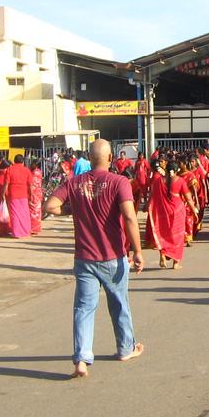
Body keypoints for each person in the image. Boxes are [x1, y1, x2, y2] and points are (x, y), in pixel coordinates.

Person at [44, 138, 144, 379]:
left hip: (85, 258)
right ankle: (125, 348)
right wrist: (138, 251)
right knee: (119, 304)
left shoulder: (74, 183)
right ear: (111, 158)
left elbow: (50, 206)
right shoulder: (119, 181)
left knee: (84, 308)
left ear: (89, 158)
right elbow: (130, 217)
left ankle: (81, 359)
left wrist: (71, 209)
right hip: (113, 256)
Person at [146, 160, 199, 269]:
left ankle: (163, 256)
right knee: (178, 236)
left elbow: (151, 197)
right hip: (178, 212)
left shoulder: (158, 181)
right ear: (177, 170)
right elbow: (188, 198)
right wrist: (194, 211)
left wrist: (148, 208)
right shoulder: (180, 181)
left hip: (163, 212)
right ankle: (176, 262)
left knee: (163, 234)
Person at [3, 154, 34, 239]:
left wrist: (3, 194)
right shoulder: (26, 170)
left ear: (14, 161)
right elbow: (31, 185)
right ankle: (25, 232)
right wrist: (32, 195)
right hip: (24, 194)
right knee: (24, 213)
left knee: (15, 214)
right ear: (23, 161)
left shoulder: (10, 169)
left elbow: (6, 184)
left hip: (13, 194)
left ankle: (16, 233)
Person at [0, 159, 12, 237]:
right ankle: (3, 230)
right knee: (4, 213)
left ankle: (1, 230)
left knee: (1, 212)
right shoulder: (3, 173)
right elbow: (2, 185)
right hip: (2, 196)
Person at [29, 158, 44, 235]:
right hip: (38, 193)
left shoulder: (34, 173)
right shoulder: (40, 172)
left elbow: (31, 184)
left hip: (34, 193)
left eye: (32, 163)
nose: (31, 164)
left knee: (33, 211)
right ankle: (36, 228)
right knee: (37, 211)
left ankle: (33, 228)